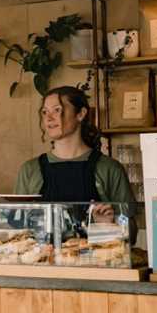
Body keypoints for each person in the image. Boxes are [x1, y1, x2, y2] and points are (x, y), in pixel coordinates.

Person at [14, 86, 133, 222]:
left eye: (57, 110)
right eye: (45, 112)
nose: (49, 118)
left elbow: (131, 229)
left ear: (80, 114)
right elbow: (17, 226)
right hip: (42, 244)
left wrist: (109, 224)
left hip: (96, 245)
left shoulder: (110, 168)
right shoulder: (29, 170)